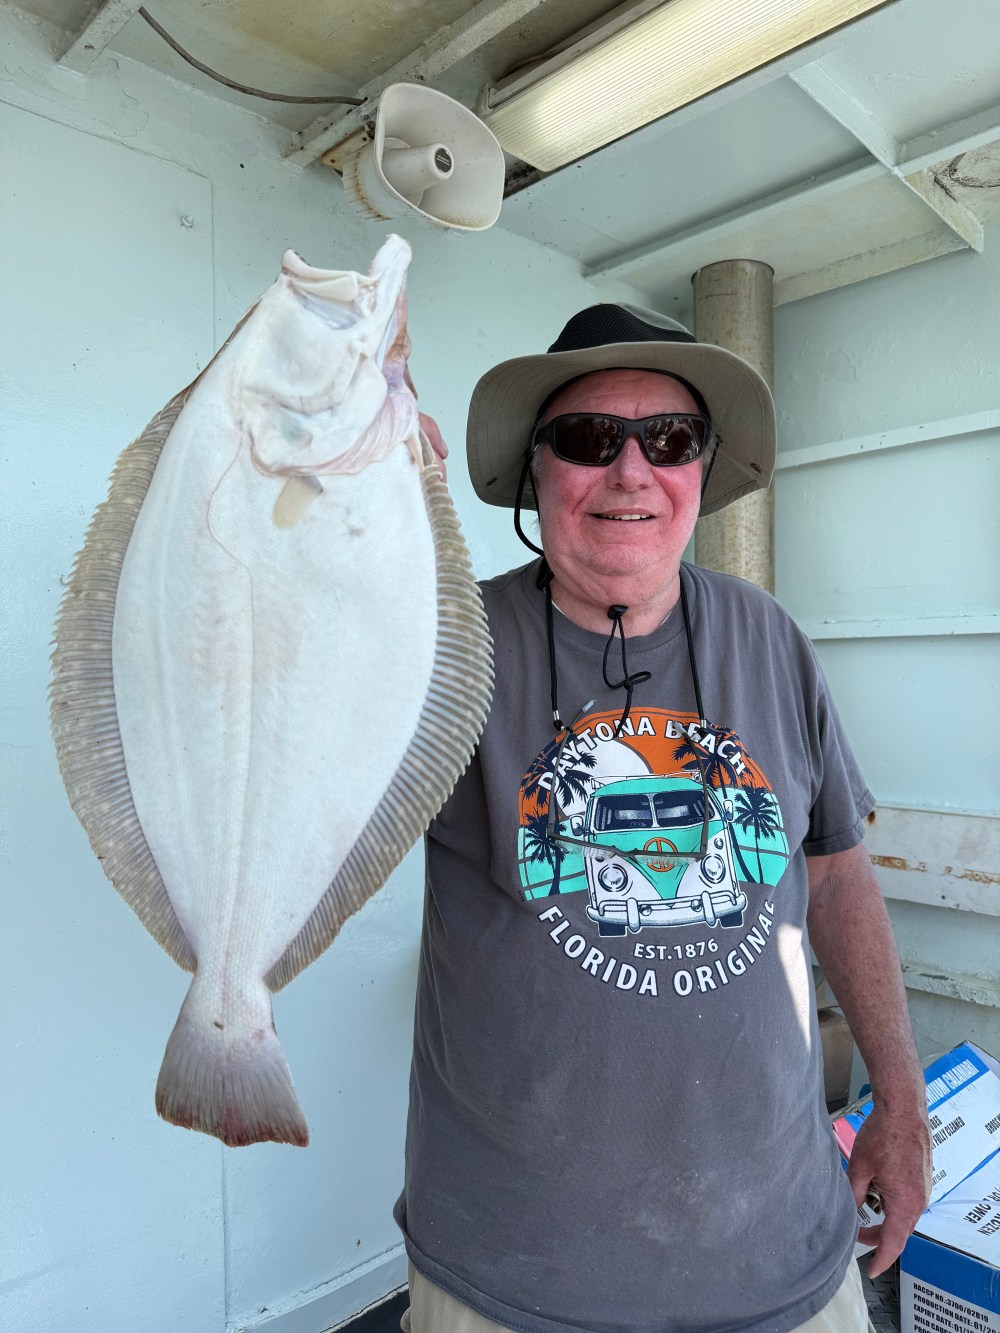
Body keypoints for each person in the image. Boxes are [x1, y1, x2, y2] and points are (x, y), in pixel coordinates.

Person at [398, 305, 931, 1333]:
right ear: (537, 472)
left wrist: (899, 1100)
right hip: (510, 1279)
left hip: (785, 1257)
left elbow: (836, 873)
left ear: (699, 472)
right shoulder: (444, 646)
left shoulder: (769, 635)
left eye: (671, 440)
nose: (632, 472)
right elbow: (316, 789)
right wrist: (353, 510)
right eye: (591, 439)